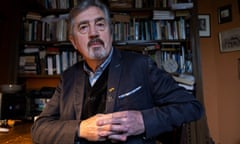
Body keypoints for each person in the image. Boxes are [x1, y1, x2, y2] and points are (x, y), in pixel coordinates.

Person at [31, 0, 204, 143]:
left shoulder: (141, 65)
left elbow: (192, 107)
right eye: (83, 27)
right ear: (74, 42)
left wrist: (143, 120)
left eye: (100, 24)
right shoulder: (68, 78)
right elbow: (39, 129)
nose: (93, 33)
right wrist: (80, 128)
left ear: (110, 33)